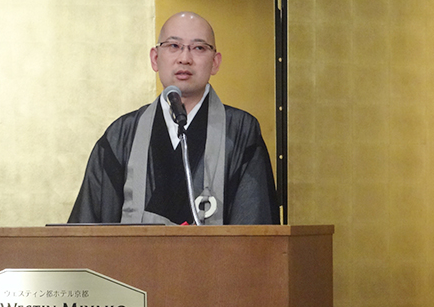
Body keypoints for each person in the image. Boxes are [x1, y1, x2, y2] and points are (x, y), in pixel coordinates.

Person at [68, 12, 279, 225]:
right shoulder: (122, 134)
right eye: (173, 46)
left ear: (215, 63)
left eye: (199, 48)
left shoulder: (240, 131)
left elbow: (255, 230)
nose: (185, 58)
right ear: (155, 58)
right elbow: (89, 231)